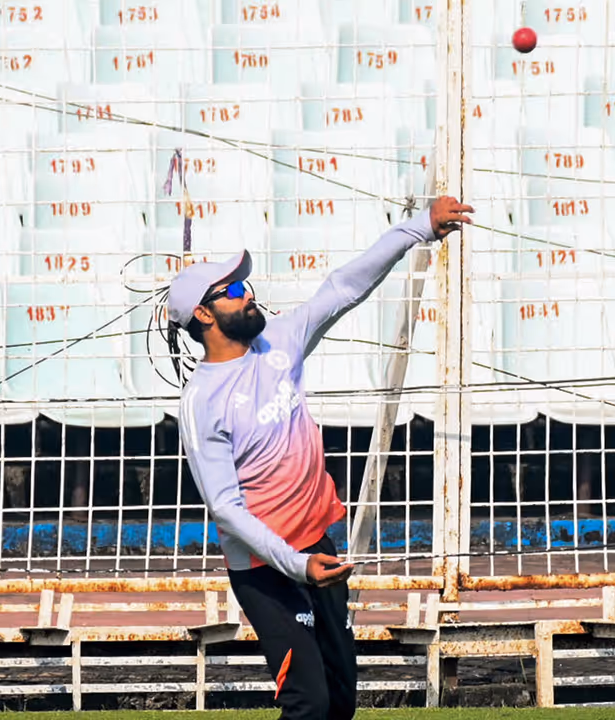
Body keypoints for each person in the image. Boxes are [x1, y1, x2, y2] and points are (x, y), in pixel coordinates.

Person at [168, 196, 474, 720]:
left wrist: (419, 227)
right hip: (268, 569)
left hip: (319, 549)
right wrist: (297, 565)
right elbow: (225, 510)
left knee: (339, 702)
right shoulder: (201, 402)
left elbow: (344, 287)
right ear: (203, 314)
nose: (249, 295)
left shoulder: (279, 342)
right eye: (234, 291)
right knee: (307, 703)